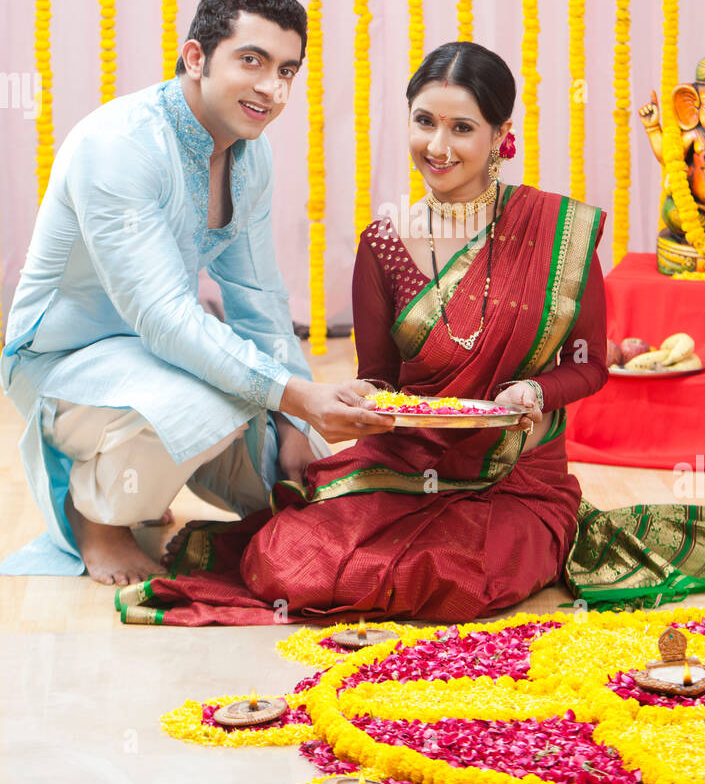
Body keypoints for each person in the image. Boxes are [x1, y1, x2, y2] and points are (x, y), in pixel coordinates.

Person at [117, 41, 611, 624]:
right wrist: (366, 402)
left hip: (514, 472)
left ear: (501, 134)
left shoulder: (556, 233)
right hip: (404, 463)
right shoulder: (385, 243)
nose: (438, 146)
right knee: (285, 562)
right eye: (424, 122)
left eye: (462, 128)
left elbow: (590, 364)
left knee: (449, 578)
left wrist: (536, 393)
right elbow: (378, 376)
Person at [0, 0, 392, 586]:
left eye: (287, 70)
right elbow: (162, 317)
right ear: (196, 57)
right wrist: (288, 393)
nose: (271, 88)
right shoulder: (120, 146)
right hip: (60, 359)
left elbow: (259, 299)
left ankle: (137, 482)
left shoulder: (247, 151)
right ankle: (93, 517)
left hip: (157, 356)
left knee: (306, 472)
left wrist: (294, 421)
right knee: (213, 395)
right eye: (252, 61)